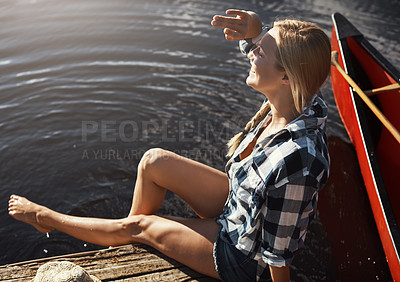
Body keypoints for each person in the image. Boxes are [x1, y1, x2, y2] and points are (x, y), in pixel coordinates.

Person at [8, 9, 330, 282]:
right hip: (240, 205)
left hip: (242, 255)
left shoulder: (299, 159)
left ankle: (47, 218)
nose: (250, 52)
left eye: (260, 50)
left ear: (286, 77)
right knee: (153, 161)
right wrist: (258, 33)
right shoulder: (297, 101)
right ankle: (122, 240)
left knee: (141, 226)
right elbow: (287, 61)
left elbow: (276, 255)